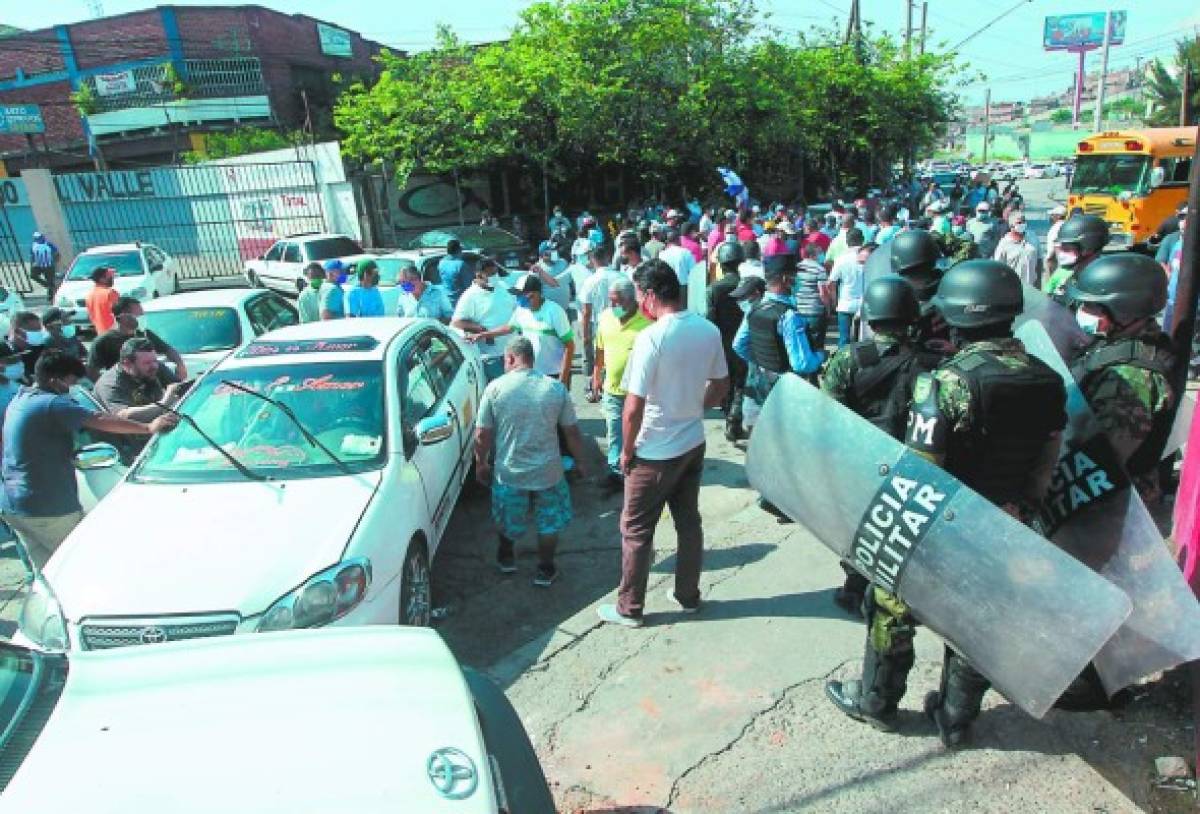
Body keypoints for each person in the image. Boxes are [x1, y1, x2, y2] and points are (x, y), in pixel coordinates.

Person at [826, 260, 1067, 748]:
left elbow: (922, 473)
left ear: (956, 318)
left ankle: (877, 702)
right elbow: (1047, 459)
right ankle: (956, 719)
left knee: (890, 606)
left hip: (942, 523)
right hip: (1006, 521)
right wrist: (1017, 509)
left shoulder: (947, 382)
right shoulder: (1047, 378)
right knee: (976, 618)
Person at [596, 260, 729, 627]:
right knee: (689, 523)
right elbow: (720, 387)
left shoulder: (652, 338)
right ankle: (688, 595)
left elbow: (632, 408)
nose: (637, 302)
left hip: (654, 451)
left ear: (651, 296)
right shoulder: (707, 330)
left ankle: (630, 608)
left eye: (639, 295)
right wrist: (691, 405)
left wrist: (625, 451)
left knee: (636, 530)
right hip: (692, 443)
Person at [1, 350, 177, 568]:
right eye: (70, 382)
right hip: (48, 509)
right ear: (55, 381)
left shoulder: (21, 398)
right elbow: (99, 418)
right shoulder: (52, 404)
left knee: (49, 573)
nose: (71, 388)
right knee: (81, 566)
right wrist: (149, 427)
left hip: (15, 504)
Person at [820, 276, 927, 615]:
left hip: (860, 460)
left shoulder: (848, 358)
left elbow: (828, 412)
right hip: (909, 461)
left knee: (858, 525)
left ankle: (854, 588)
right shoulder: (927, 362)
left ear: (870, 317)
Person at [474, 337, 587, 586]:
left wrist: (481, 462)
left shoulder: (495, 389)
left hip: (509, 473)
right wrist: (580, 462)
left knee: (507, 518)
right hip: (549, 473)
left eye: (505, 360)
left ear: (511, 358)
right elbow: (571, 432)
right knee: (549, 522)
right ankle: (545, 569)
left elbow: (482, 434)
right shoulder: (556, 389)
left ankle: (506, 558)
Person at [1068, 252, 1176, 500]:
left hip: (1110, 504)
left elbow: (1101, 454)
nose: (1083, 311)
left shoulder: (1132, 377)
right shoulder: (1115, 344)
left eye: (1092, 306)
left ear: (1125, 311)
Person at [591, 278, 652, 487]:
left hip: (639, 391)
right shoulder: (606, 318)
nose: (613, 307)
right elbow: (599, 349)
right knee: (614, 429)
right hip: (612, 389)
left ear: (632, 300)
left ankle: (641, 467)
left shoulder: (648, 322)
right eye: (611, 302)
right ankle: (616, 471)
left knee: (640, 430)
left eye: (618, 302)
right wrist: (597, 374)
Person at [93, 337, 190, 459]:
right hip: (130, 451)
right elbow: (123, 416)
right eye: (147, 363)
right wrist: (165, 402)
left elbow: (182, 389)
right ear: (127, 364)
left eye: (155, 360)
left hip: (161, 438)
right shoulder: (110, 384)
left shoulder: (155, 368)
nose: (154, 366)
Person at [472, 273, 574, 385]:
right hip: (531, 374)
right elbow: (509, 327)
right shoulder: (521, 310)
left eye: (521, 295)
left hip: (554, 374)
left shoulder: (555, 311)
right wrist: (484, 335)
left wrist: (562, 379)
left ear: (535, 294)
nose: (518, 299)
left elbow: (569, 345)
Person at [86, 296, 187, 382]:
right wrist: (110, 387)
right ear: (123, 316)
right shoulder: (104, 341)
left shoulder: (145, 334)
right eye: (138, 315)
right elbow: (91, 371)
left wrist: (180, 364)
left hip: (149, 388)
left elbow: (167, 349)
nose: (141, 318)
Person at [707, 241, 748, 441]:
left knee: (725, 382)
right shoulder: (748, 285)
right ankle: (735, 418)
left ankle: (729, 416)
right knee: (740, 383)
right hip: (743, 343)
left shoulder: (714, 289)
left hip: (722, 343)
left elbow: (710, 321)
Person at [454, 258, 515, 380]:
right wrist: (481, 330)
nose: (495, 277)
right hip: (491, 357)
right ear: (479, 275)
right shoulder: (470, 296)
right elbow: (456, 322)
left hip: (512, 350)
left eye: (496, 273)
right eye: (491, 274)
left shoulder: (502, 286)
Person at [579, 246, 625, 398]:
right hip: (621, 323)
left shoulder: (589, 281)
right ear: (607, 257)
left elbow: (586, 312)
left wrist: (585, 334)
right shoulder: (621, 277)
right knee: (617, 357)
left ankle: (597, 389)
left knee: (600, 360)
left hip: (600, 326)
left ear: (592, 260)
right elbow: (629, 304)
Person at [1042, 214, 1109, 298]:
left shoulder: (1105, 279)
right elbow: (1046, 298)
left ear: (1088, 248)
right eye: (1061, 248)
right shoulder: (1062, 273)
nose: (1061, 254)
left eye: (1067, 249)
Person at [828, 229, 866, 347]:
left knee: (844, 341)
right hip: (865, 305)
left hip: (845, 304)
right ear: (862, 240)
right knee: (864, 342)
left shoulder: (841, 259)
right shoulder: (869, 257)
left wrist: (834, 302)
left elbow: (831, 283)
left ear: (847, 242)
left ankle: (844, 364)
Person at [794, 245, 829, 354]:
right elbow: (823, 293)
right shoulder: (819, 269)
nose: (821, 256)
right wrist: (828, 307)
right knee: (816, 343)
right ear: (813, 255)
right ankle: (816, 367)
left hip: (798, 309)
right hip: (815, 310)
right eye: (819, 253)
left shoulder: (797, 267)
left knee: (802, 342)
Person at [993, 210, 1039, 287]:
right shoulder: (1004, 244)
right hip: (1012, 287)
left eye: (1024, 222)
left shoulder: (1033, 237)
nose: (1023, 224)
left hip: (1031, 286)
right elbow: (998, 268)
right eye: (1019, 223)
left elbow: (1039, 260)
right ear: (1011, 225)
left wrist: (1038, 283)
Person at [658, 227, 696, 304]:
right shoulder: (686, 252)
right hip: (683, 287)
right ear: (678, 240)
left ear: (668, 241)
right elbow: (694, 272)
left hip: (667, 287)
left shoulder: (661, 254)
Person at [9, 312, 47, 382]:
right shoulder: (7, 355)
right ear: (18, 332)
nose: (39, 334)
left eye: (39, 330)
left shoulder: (39, 347)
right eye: (34, 331)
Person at [85, 265, 119, 335]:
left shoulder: (89, 296)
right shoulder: (110, 293)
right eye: (110, 277)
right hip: (114, 332)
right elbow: (120, 314)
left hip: (100, 333)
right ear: (101, 279)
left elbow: (91, 317)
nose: (112, 279)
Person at [29, 232, 59, 298]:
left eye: (39, 237)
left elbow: (56, 252)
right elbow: (32, 256)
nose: (39, 239)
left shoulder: (48, 244)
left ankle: (51, 296)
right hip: (38, 265)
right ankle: (47, 285)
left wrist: (54, 261)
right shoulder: (34, 245)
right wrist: (32, 264)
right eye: (36, 238)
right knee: (33, 276)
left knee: (50, 280)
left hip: (49, 265)